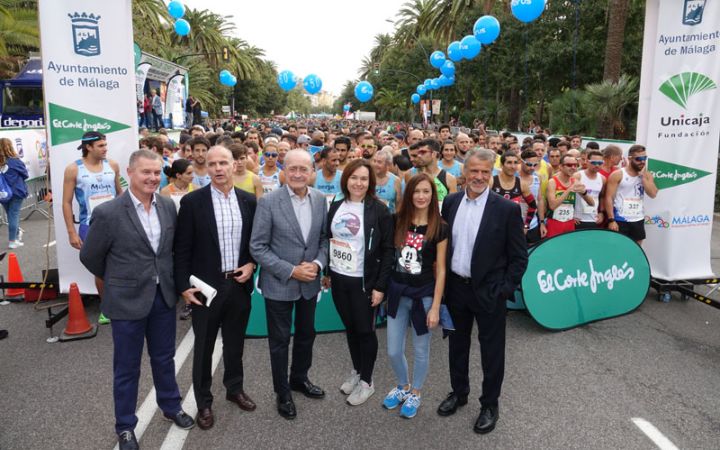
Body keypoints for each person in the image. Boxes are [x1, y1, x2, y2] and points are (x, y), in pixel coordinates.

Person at [79, 150, 194, 450]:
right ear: (129, 173)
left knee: (164, 358)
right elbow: (90, 256)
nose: (152, 178)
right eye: (145, 172)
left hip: (162, 298)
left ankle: (171, 406)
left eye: (156, 173)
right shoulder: (108, 213)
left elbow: (168, 252)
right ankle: (126, 426)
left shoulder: (168, 206)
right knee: (127, 367)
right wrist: (120, 280)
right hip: (127, 302)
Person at [437, 149, 528, 434]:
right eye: (473, 171)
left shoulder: (507, 209)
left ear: (491, 174)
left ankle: (489, 404)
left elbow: (519, 258)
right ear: (464, 172)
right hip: (456, 290)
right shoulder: (450, 203)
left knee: (491, 353)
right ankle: (459, 392)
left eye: (484, 173)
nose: (478, 177)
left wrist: (503, 289)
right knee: (456, 346)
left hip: (490, 293)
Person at [174, 146, 258, 430]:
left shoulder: (249, 201)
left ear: (234, 164)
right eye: (213, 164)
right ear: (206, 168)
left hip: (238, 284)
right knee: (204, 348)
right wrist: (184, 287)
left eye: (224, 162)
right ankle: (204, 403)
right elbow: (182, 249)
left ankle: (234, 389)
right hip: (206, 288)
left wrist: (252, 265)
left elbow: (254, 244)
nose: (218, 168)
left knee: (235, 343)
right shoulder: (193, 202)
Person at [249, 149, 329, 420]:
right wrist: (291, 270)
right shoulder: (269, 202)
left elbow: (323, 240)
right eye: (292, 168)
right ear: (284, 170)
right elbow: (257, 246)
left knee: (307, 335)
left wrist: (317, 264)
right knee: (279, 342)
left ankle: (299, 379)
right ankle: (282, 392)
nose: (297, 174)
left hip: (310, 283)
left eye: (303, 169)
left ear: (311, 173)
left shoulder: (319, 200)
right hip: (280, 284)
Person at [325, 159, 394, 406]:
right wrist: (326, 271)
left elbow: (388, 250)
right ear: (346, 180)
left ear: (370, 182)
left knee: (365, 330)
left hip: (364, 281)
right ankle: (357, 371)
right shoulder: (335, 203)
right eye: (354, 177)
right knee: (351, 328)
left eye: (364, 179)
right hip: (339, 277)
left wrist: (380, 287)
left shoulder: (379, 210)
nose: (358, 183)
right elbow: (328, 237)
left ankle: (367, 381)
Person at [382, 173, 448, 419]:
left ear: (433, 195)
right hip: (398, 293)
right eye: (416, 191)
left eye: (426, 192)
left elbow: (441, 269)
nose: (421, 196)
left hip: (424, 296)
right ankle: (402, 386)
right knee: (392, 350)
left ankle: (416, 392)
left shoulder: (440, 227)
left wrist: (436, 307)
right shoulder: (397, 220)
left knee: (421, 350)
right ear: (409, 194)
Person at [62, 131, 123, 325]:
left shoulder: (112, 165)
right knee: (101, 269)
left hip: (117, 223)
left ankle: (122, 303)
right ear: (89, 147)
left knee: (123, 264)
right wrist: (71, 232)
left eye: (106, 145)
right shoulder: (73, 169)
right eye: (101, 146)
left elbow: (121, 193)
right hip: (91, 225)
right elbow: (66, 202)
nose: (105, 149)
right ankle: (106, 307)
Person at [605, 144, 658, 245]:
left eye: (644, 158)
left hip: (638, 219)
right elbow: (609, 198)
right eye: (639, 159)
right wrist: (611, 220)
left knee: (636, 250)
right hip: (620, 219)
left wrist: (643, 177)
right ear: (630, 158)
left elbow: (653, 194)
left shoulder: (647, 175)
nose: (642, 161)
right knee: (618, 248)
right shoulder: (618, 174)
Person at [546, 155, 594, 238]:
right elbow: (552, 206)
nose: (573, 167)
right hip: (554, 222)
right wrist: (568, 190)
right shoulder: (553, 181)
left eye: (575, 165)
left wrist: (584, 193)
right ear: (561, 166)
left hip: (569, 223)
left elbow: (592, 203)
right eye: (569, 165)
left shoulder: (575, 181)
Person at [0, 139, 28, 249]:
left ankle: (16, 237)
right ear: (10, 147)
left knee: (10, 215)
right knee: (13, 216)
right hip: (16, 192)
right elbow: (25, 174)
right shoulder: (15, 161)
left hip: (3, 193)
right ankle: (12, 241)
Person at [574, 150, 606, 230]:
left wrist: (601, 212)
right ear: (587, 162)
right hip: (578, 219)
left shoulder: (602, 178)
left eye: (600, 163)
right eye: (594, 163)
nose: (597, 165)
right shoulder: (578, 176)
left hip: (593, 219)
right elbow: (569, 196)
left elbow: (602, 196)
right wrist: (571, 216)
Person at [372, 148, 402, 213]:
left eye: (379, 162)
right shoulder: (368, 178)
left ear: (388, 165)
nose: (375, 164)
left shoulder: (396, 181)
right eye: (374, 161)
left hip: (389, 217)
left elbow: (398, 204)